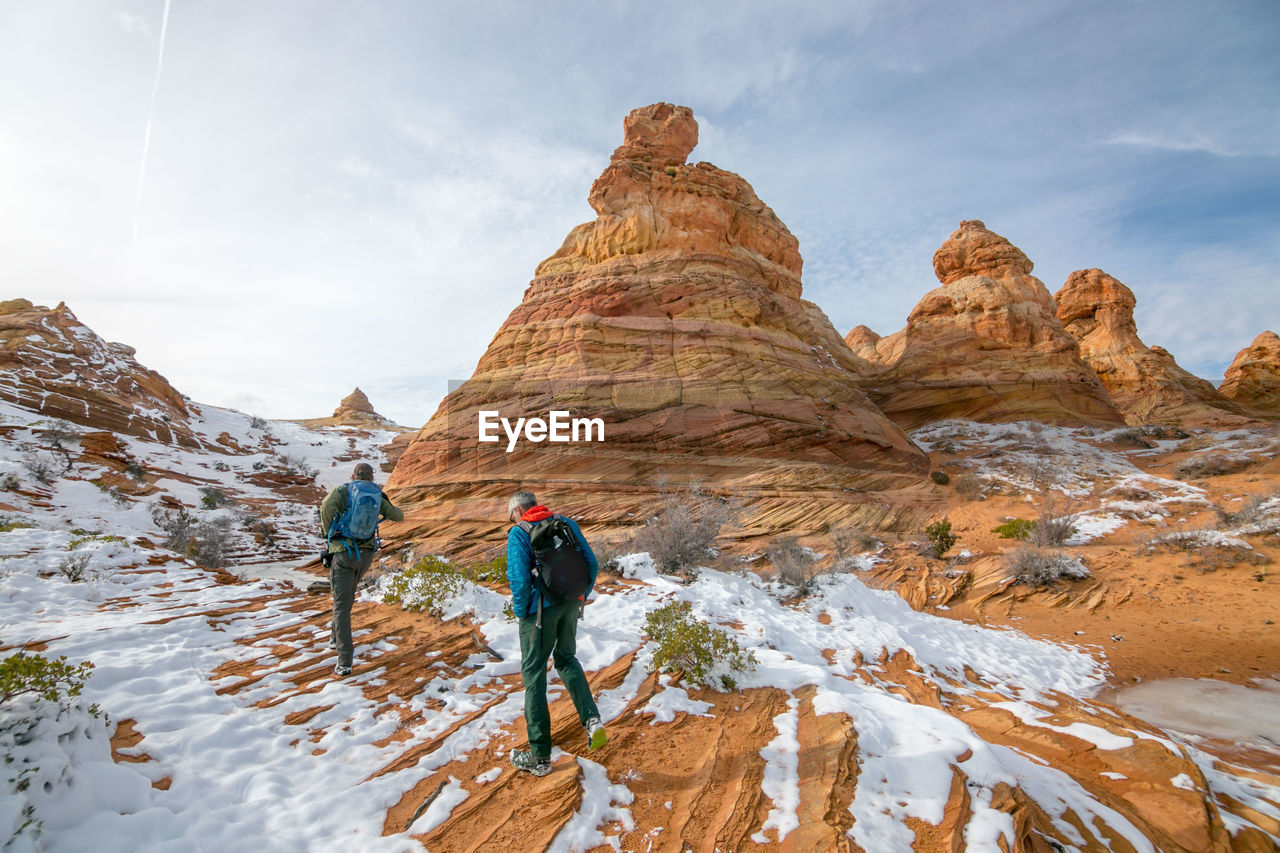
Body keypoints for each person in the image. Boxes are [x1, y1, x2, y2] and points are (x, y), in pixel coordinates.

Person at [506, 490, 606, 775]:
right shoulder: (565, 523)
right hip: (570, 604)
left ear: (516, 511)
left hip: (540, 613)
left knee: (535, 676)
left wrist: (521, 612)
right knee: (566, 660)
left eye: (510, 515)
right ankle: (592, 721)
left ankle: (539, 757)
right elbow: (592, 563)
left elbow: (520, 579)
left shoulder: (519, 532)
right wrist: (581, 595)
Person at [319, 462, 403, 677]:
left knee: (340, 602)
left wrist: (329, 534)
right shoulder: (376, 494)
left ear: (354, 475)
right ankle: (333, 638)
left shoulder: (344, 490)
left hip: (343, 552)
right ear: (372, 478)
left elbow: (325, 507)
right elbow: (397, 516)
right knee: (345, 599)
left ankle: (344, 661)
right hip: (365, 555)